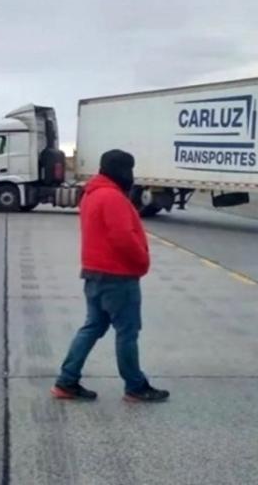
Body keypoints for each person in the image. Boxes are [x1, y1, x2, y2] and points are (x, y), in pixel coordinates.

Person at [51, 149, 169, 403]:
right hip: (118, 276)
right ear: (121, 171)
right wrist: (142, 261)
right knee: (127, 331)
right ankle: (135, 386)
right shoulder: (112, 198)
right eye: (129, 170)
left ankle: (66, 380)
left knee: (92, 326)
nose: (132, 175)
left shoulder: (92, 194)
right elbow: (123, 237)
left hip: (94, 272)